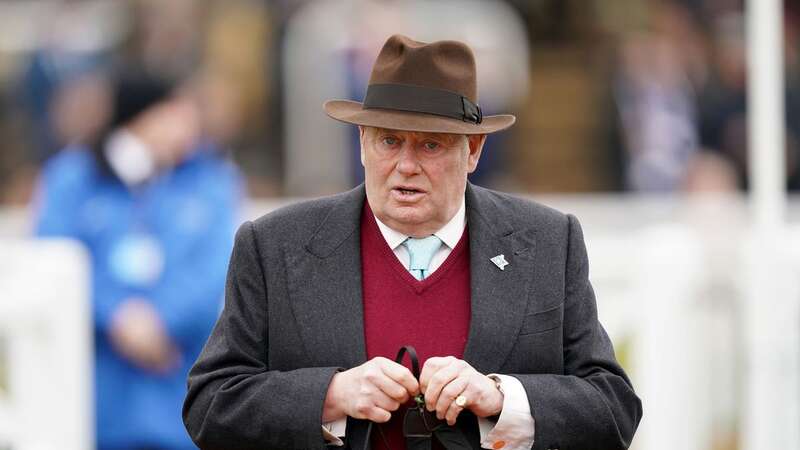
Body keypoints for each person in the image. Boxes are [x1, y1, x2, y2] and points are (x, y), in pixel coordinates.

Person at [183, 35, 642, 450]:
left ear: (474, 151)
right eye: (389, 141)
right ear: (362, 142)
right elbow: (209, 405)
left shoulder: (547, 242)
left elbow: (614, 409)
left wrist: (503, 398)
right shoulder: (274, 246)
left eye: (430, 146)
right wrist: (329, 396)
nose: (405, 164)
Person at [34, 71, 242, 450]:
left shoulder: (210, 180)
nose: (190, 125)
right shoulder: (73, 178)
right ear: (144, 115)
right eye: (178, 111)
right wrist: (117, 315)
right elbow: (55, 258)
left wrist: (161, 318)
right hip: (95, 391)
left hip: (181, 390)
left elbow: (218, 265)